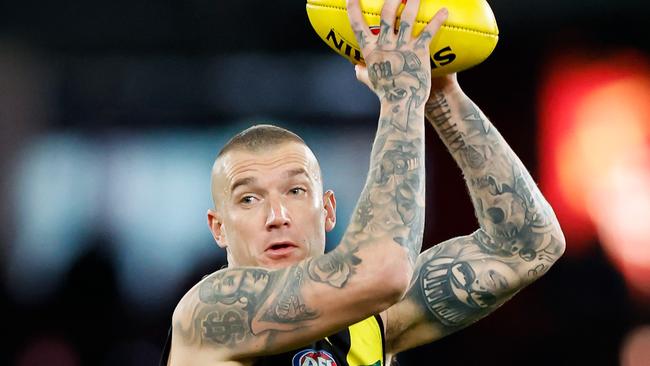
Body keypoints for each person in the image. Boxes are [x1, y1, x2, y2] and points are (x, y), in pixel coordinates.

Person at [160, 0, 566, 365]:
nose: (277, 216)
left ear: (329, 210)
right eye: (249, 199)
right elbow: (382, 272)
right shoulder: (209, 314)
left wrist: (440, 94)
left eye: (296, 191)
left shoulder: (373, 318)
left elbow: (530, 245)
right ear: (218, 228)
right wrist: (401, 97)